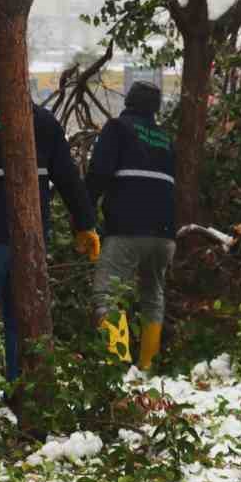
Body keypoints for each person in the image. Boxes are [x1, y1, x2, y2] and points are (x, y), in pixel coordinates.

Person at [0, 56, 99, 416]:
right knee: (21, 319)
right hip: (31, 238)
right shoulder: (42, 120)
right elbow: (69, 178)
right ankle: (23, 397)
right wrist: (86, 223)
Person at [86, 80, 178, 371]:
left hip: (127, 229)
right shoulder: (165, 138)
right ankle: (148, 366)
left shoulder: (117, 128)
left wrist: (83, 217)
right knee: (153, 295)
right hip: (165, 235)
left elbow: (99, 173)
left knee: (106, 295)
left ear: (129, 102)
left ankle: (117, 368)